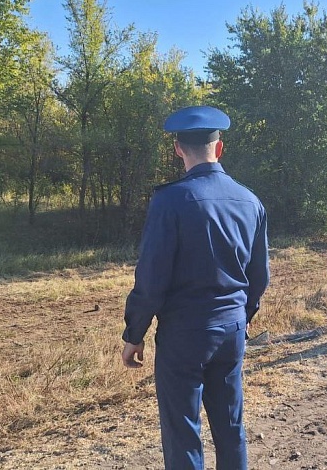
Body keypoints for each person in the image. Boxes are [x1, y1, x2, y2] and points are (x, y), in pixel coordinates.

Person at [121, 106, 270, 470]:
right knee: (230, 425)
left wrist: (134, 333)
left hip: (184, 334)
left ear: (177, 149)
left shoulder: (170, 201)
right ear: (219, 149)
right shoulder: (250, 201)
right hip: (232, 329)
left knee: (182, 432)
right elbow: (259, 276)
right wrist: (242, 317)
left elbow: (152, 278)